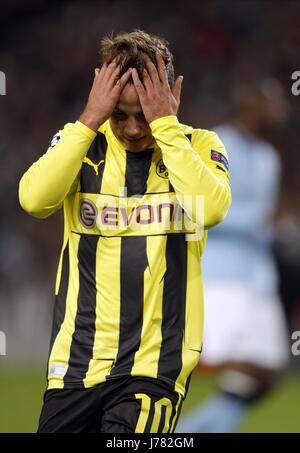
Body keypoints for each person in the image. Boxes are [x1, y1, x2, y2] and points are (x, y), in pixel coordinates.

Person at [19, 30, 231, 433]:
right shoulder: (81, 143)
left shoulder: (198, 146)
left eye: (144, 114)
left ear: (174, 94)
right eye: (120, 113)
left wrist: (165, 125)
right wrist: (88, 120)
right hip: (76, 364)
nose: (133, 128)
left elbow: (212, 208)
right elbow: (34, 200)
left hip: (153, 368)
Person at [176, 77, 289, 433]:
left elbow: (266, 217)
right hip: (223, 274)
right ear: (250, 105)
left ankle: (189, 431)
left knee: (269, 370)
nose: (278, 111)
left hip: (258, 276)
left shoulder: (269, 157)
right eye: (269, 102)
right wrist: (258, 222)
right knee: (229, 361)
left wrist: (279, 229)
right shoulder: (216, 142)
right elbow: (198, 208)